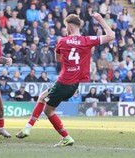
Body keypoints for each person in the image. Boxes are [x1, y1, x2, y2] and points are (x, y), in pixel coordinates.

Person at [15, 13, 115, 147]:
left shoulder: (62, 41)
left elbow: (57, 59)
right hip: (74, 85)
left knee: (46, 107)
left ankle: (29, 128)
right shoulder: (87, 40)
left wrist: (68, 59)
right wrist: (100, 20)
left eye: (66, 26)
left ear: (70, 27)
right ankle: (65, 137)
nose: (65, 29)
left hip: (64, 81)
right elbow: (111, 36)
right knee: (44, 98)